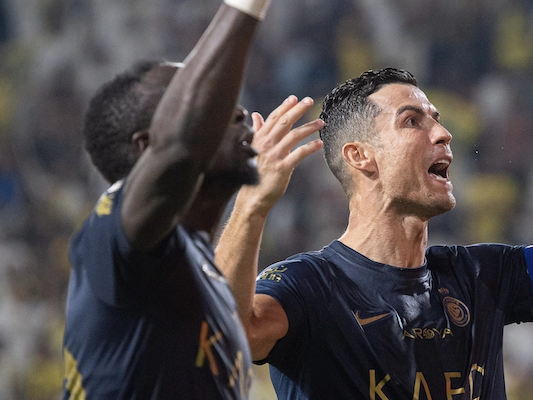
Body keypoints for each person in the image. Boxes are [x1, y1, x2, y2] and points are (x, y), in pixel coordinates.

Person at [215, 67, 533, 399]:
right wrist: (251, 204)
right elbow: (224, 335)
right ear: (360, 156)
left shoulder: (484, 275)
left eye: (437, 120)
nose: (443, 133)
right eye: (412, 121)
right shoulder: (308, 287)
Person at [61, 0, 323, 397]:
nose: (235, 109)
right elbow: (182, 148)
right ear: (147, 147)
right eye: (205, 105)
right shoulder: (112, 233)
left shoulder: (202, 272)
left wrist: (252, 204)